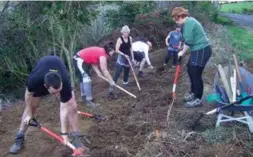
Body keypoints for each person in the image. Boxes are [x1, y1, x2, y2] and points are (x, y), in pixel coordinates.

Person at [9, 55, 86, 154]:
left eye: (59, 91)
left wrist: (64, 133)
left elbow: (64, 108)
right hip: (42, 68)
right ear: (46, 87)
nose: (58, 94)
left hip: (57, 65)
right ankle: (19, 137)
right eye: (55, 93)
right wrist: (28, 112)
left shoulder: (65, 81)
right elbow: (28, 95)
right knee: (32, 107)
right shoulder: (35, 80)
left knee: (72, 106)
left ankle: (76, 138)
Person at [172, 7, 212, 107]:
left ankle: (198, 99)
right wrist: (181, 47)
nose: (176, 22)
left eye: (176, 19)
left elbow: (189, 41)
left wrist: (182, 52)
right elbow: (186, 38)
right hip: (197, 50)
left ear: (181, 16)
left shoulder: (189, 23)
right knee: (190, 69)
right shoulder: (186, 24)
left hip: (202, 50)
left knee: (195, 73)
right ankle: (193, 93)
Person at [73, 42, 115, 107]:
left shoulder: (101, 51)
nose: (113, 54)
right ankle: (89, 102)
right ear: (110, 50)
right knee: (87, 80)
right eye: (113, 52)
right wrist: (111, 81)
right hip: (80, 60)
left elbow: (93, 62)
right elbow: (104, 69)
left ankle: (83, 98)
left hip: (81, 60)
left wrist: (98, 72)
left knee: (83, 79)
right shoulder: (102, 54)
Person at [109, 25, 134, 94]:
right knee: (118, 72)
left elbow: (131, 48)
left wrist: (133, 58)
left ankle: (125, 83)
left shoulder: (130, 38)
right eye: (125, 33)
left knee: (126, 71)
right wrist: (124, 54)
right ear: (122, 32)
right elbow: (116, 50)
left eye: (127, 33)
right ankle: (112, 86)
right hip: (121, 57)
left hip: (128, 57)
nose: (126, 34)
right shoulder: (119, 39)